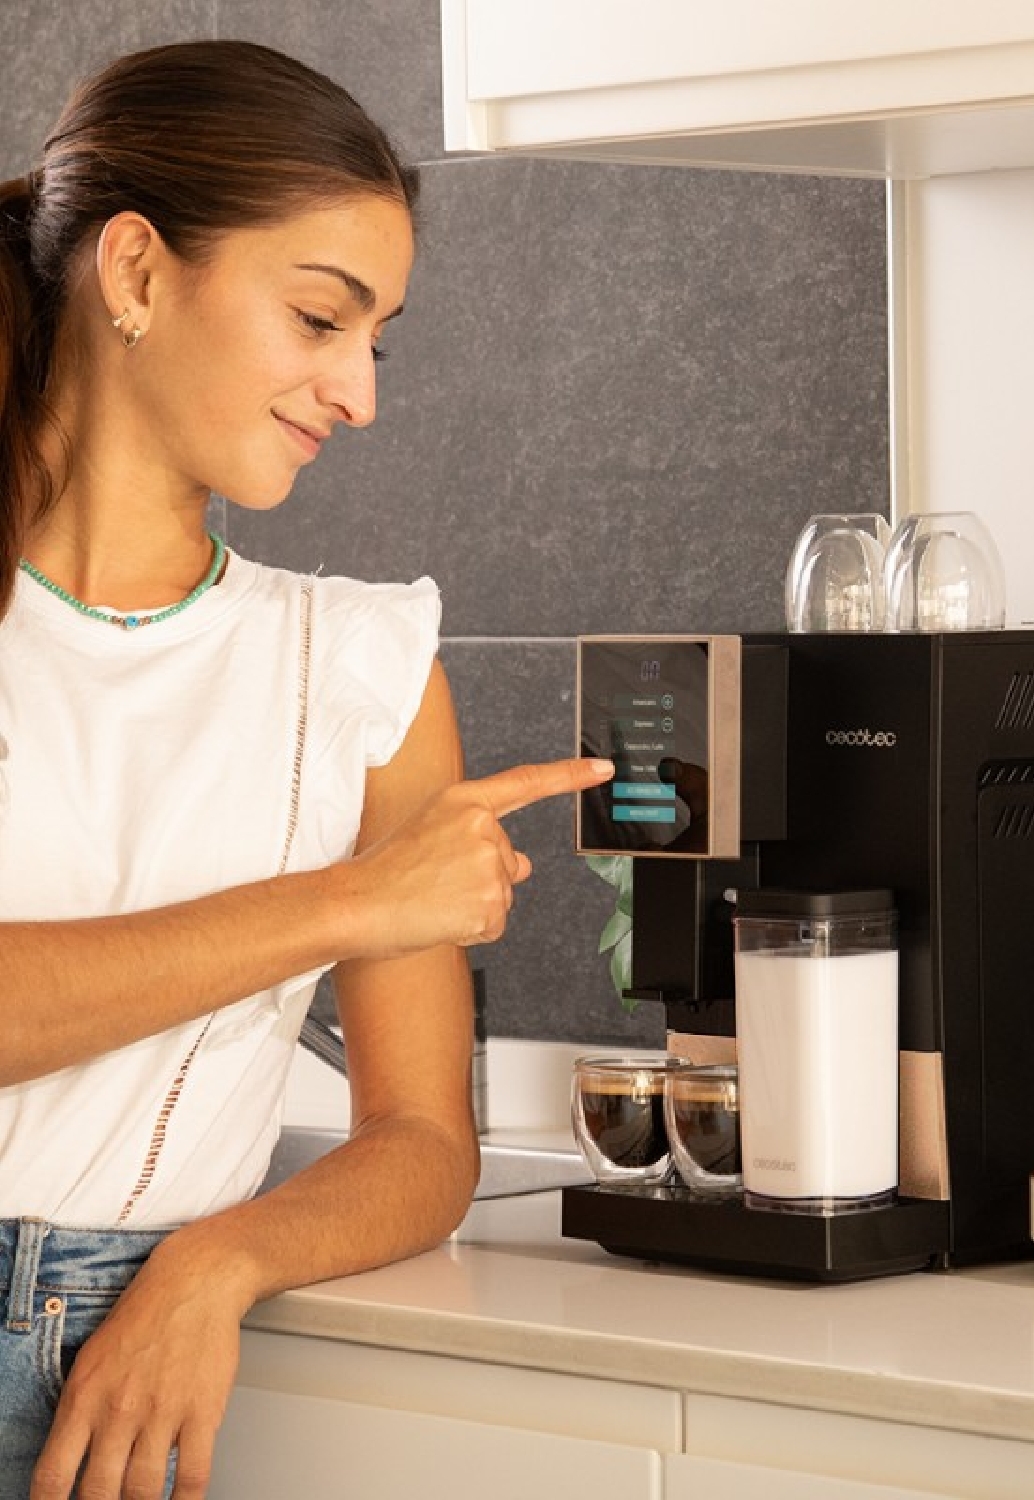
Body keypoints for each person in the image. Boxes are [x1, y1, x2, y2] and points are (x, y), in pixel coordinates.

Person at [0, 38, 611, 1499]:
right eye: (321, 318)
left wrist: (218, 1261)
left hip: (106, 1366)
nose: (359, 394)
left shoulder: (361, 669)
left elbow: (423, 1142)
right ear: (135, 273)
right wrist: (354, 901)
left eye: (375, 341)